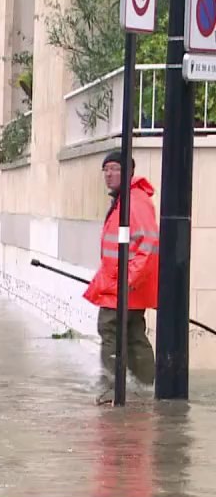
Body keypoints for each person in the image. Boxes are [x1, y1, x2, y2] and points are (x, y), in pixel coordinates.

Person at [83, 150, 159, 397]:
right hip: (123, 286)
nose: (109, 174)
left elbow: (147, 245)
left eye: (115, 168)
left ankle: (111, 390)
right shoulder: (125, 200)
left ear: (129, 172)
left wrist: (126, 282)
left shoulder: (134, 202)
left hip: (123, 289)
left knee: (110, 330)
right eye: (106, 169)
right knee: (134, 334)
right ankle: (146, 389)